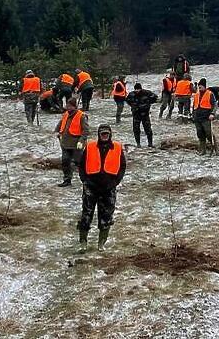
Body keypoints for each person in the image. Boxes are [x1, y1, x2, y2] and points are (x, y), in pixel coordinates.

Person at [77, 123, 126, 253]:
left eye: (107, 134)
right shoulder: (90, 146)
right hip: (91, 186)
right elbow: (81, 165)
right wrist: (84, 180)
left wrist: (115, 182)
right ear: (99, 134)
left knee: (106, 216)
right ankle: (83, 242)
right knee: (86, 215)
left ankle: (101, 243)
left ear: (110, 135)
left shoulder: (117, 147)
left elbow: (122, 167)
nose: (104, 136)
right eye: (102, 133)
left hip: (108, 188)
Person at [55, 98, 89, 187]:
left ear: (75, 106)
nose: (68, 107)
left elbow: (86, 130)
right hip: (65, 143)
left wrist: (81, 141)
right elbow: (60, 124)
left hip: (76, 144)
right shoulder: (65, 114)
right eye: (67, 105)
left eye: (70, 106)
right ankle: (67, 180)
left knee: (80, 163)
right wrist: (57, 131)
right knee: (65, 162)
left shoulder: (81, 116)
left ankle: (86, 180)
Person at [125, 83, 158, 147]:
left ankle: (150, 143)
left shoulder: (147, 93)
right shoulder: (131, 94)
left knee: (148, 129)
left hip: (145, 114)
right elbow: (127, 100)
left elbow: (155, 98)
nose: (137, 91)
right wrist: (133, 106)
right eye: (136, 89)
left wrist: (148, 103)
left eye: (138, 89)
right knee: (136, 129)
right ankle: (138, 144)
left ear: (141, 88)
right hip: (136, 114)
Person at [192, 78, 216, 155]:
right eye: (199, 87)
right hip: (197, 117)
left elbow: (214, 105)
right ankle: (203, 150)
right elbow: (194, 106)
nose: (199, 88)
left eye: (201, 86)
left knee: (208, 134)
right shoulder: (196, 95)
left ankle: (215, 148)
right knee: (200, 134)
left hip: (206, 117)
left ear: (205, 86)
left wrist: (212, 113)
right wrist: (193, 115)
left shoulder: (210, 94)